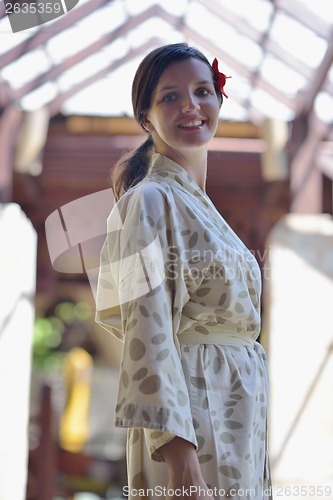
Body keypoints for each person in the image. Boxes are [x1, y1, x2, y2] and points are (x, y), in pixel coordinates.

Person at [96, 43, 271, 500]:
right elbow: (145, 329)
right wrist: (179, 456)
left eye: (202, 91)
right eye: (170, 97)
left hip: (235, 417)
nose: (191, 106)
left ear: (218, 102)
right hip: (194, 421)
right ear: (146, 118)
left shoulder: (201, 207)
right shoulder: (147, 201)